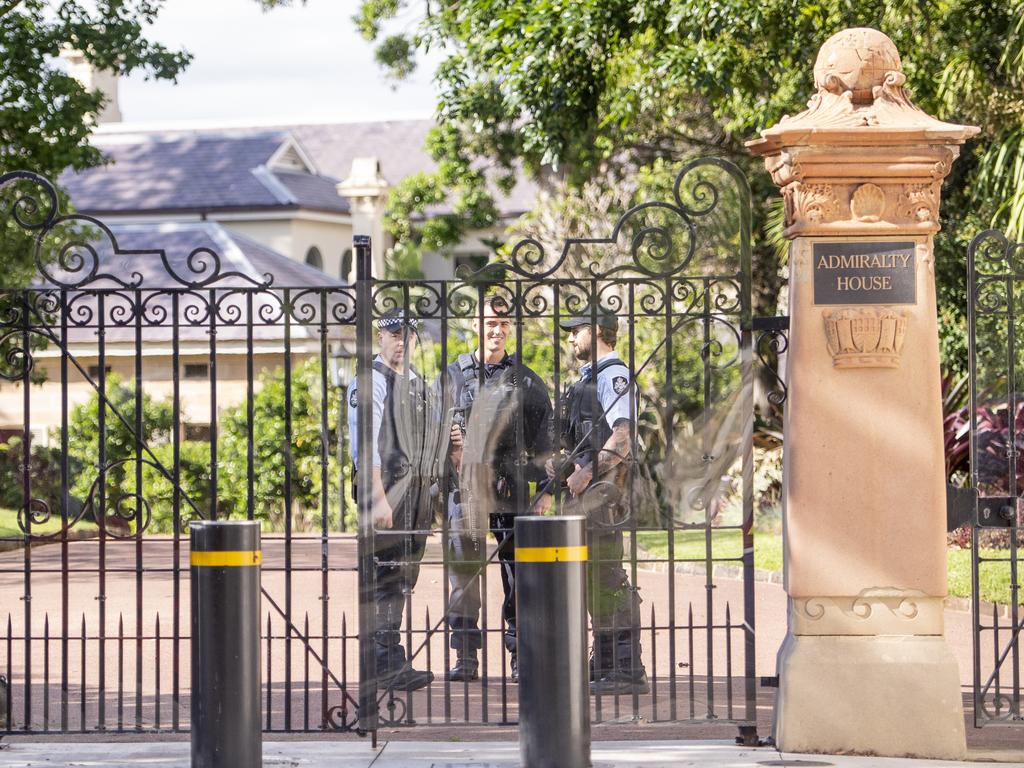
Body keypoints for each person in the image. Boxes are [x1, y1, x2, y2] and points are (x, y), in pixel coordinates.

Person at [441, 294, 553, 683]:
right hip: (466, 491)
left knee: (517, 575)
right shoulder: (453, 375)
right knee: (464, 575)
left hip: (513, 488)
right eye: (491, 322)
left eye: (505, 324)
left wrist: (547, 490)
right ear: (475, 324)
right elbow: (433, 430)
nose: (498, 330)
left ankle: (519, 653)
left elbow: (547, 438)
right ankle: (466, 655)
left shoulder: (525, 378)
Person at [544, 306, 649, 696]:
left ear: (600, 331)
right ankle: (605, 660)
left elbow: (622, 437)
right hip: (587, 494)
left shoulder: (615, 375)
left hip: (605, 494)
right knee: (593, 577)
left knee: (607, 577)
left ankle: (625, 665)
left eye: (578, 330)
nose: (571, 337)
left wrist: (587, 472)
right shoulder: (588, 379)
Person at [347, 308, 435, 691]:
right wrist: (377, 497)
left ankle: (388, 657)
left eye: (407, 334)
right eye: (393, 334)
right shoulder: (371, 381)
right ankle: (382, 662)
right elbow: (364, 443)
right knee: (385, 574)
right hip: (387, 491)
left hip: (416, 495)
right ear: (380, 338)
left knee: (403, 576)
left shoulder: (419, 382)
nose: (401, 340)